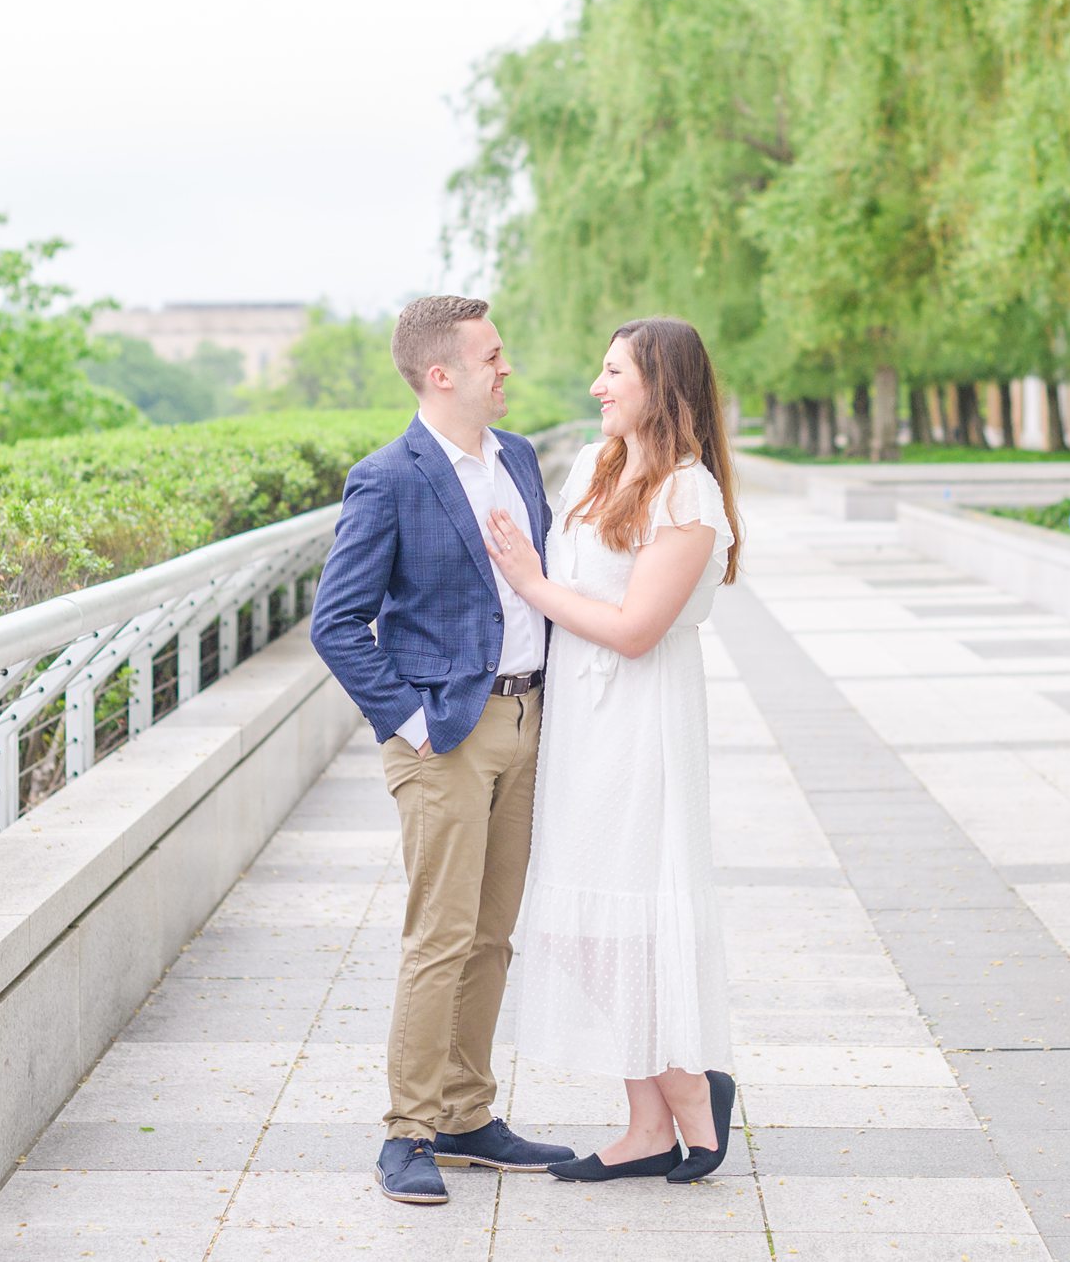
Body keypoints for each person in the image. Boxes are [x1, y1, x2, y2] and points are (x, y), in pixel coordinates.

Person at [309, 295, 575, 1206]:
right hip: (445, 738)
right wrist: (413, 723)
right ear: (442, 373)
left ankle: (467, 1113)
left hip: (527, 725)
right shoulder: (389, 477)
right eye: (493, 356)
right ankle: (409, 1131)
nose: (508, 368)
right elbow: (336, 623)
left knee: (494, 933)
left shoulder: (523, 460)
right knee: (440, 935)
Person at [482, 315, 744, 1184]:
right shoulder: (596, 466)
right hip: (580, 723)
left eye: (613, 373)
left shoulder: (689, 495)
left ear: (659, 386)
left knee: (629, 913)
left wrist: (534, 583)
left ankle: (687, 1101)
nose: (597, 387)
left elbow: (636, 630)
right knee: (577, 921)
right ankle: (650, 1114)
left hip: (640, 724)